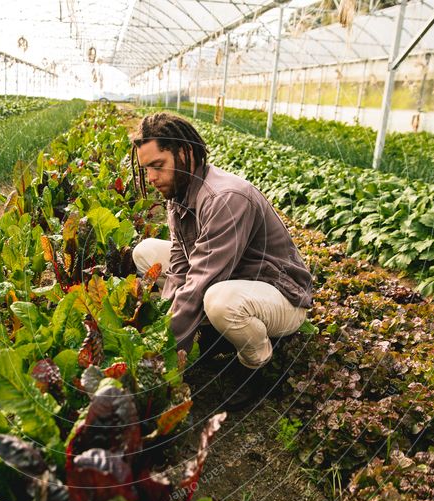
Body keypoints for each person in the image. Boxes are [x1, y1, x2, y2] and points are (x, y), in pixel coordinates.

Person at [130, 112, 313, 409]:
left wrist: (166, 353)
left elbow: (202, 279)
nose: (150, 178)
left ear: (185, 153)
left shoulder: (225, 198)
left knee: (218, 299)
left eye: (157, 166)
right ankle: (217, 335)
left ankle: (256, 366)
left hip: (280, 295)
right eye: (146, 168)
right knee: (146, 251)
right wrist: (166, 327)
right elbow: (179, 266)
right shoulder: (179, 192)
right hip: (234, 281)